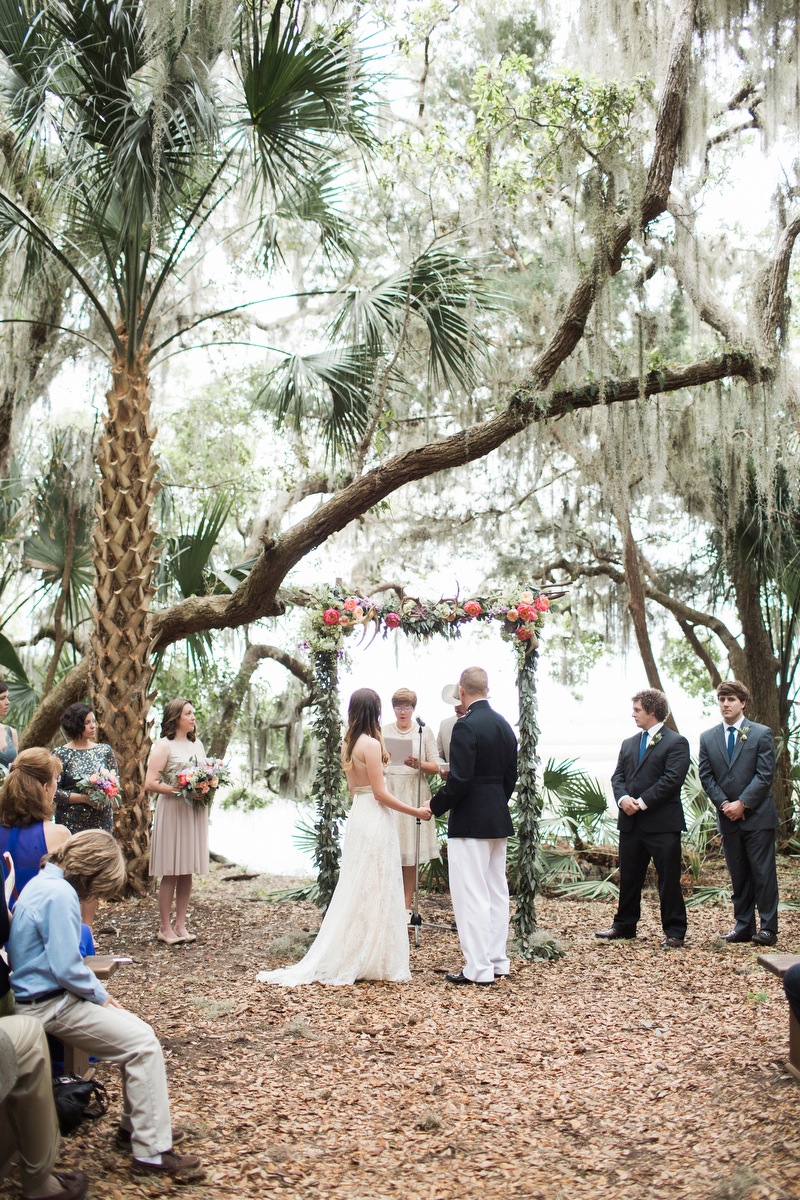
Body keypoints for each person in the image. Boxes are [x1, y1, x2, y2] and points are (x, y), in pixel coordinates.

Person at [8, 831, 202, 1179]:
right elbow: (67, 967)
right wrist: (102, 996)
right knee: (142, 1044)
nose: (94, 896)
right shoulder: (59, 895)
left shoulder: (46, 882)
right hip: (47, 1004)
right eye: (98, 887)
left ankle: (137, 1128)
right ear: (91, 872)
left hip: (46, 996)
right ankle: (152, 1154)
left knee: (140, 1034)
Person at [258, 688, 432, 987]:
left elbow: (355, 790)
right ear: (375, 712)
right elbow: (380, 793)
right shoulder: (372, 745)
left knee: (360, 884)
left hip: (359, 815)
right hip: (375, 817)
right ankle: (371, 955)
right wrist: (415, 811)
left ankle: (360, 950)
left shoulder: (349, 742)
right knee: (376, 885)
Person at [429, 667, 518, 986]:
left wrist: (433, 807)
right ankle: (497, 960)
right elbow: (511, 776)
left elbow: (459, 780)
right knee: (497, 891)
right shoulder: (505, 726)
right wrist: (495, 802)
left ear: (462, 692)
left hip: (468, 821)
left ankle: (478, 968)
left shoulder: (466, 727)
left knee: (471, 895)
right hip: (497, 819)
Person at [596, 689, 690, 948]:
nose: (633, 714)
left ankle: (674, 931)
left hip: (662, 824)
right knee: (629, 876)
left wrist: (643, 802)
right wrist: (623, 799)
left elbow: (672, 779)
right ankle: (624, 925)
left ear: (652, 711)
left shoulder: (676, 742)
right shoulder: (628, 743)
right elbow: (618, 777)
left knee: (668, 878)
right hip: (630, 823)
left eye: (637, 709)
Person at [698, 680, 779, 946]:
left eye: (731, 699)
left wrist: (742, 803)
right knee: (739, 874)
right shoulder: (708, 737)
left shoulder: (761, 733)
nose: (725, 704)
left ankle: (768, 928)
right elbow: (706, 776)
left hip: (757, 817)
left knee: (763, 873)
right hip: (728, 817)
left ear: (742, 703)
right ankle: (743, 926)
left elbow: (765, 774)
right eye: (721, 699)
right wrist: (725, 805)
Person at [145, 698, 208, 945]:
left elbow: (204, 774)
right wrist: (177, 790)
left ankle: (181, 924)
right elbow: (150, 783)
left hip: (193, 810)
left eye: (193, 713)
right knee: (171, 870)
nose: (193, 717)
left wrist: (205, 787)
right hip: (172, 809)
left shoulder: (198, 745)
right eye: (188, 713)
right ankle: (164, 927)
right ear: (176, 718)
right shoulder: (164, 746)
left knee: (186, 870)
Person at [381, 687, 441, 910]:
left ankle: (405, 906)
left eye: (407, 707)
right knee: (389, 848)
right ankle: (388, 902)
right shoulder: (383, 730)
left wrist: (419, 764)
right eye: (398, 707)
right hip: (391, 789)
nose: (402, 712)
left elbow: (436, 766)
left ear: (414, 708)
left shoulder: (424, 732)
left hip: (414, 791)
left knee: (410, 852)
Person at [0, 750, 71, 906]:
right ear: (46, 788)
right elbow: (67, 895)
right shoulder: (59, 835)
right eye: (56, 779)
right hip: (36, 926)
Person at [54, 704, 117, 836]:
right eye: (87, 722)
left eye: (94, 721)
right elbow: (54, 791)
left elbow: (115, 782)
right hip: (71, 821)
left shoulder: (105, 751)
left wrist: (105, 795)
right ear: (76, 724)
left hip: (102, 820)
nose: (93, 726)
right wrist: (84, 799)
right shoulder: (60, 754)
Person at [436, 683, 466, 773]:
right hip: (452, 783)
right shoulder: (445, 724)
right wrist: (443, 769)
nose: (456, 707)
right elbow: (437, 756)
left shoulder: (482, 724)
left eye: (460, 703)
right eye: (454, 703)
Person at [0, 682, 18, 773]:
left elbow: (16, 768)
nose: (7, 702)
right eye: (2, 698)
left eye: (7, 697)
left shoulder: (11, 732)